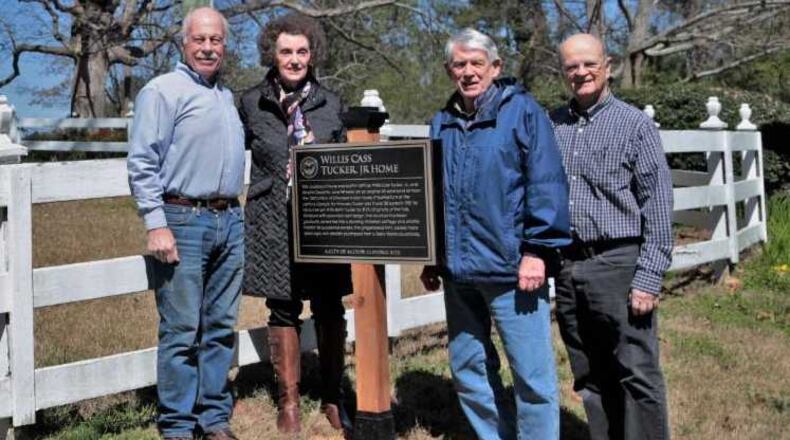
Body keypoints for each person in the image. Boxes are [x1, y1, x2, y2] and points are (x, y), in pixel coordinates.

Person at [420, 28, 571, 439]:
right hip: (458, 272)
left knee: (532, 377)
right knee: (467, 368)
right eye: (460, 64)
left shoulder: (522, 112)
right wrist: (433, 255)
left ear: (495, 67)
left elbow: (546, 182)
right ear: (450, 69)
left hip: (512, 270)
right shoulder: (443, 121)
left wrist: (537, 250)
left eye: (476, 63)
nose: (468, 72)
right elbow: (433, 192)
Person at [127, 7, 244, 440]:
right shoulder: (162, 91)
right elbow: (142, 163)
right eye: (200, 40)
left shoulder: (225, 96)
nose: (208, 47)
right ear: (184, 43)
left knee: (219, 326)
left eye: (216, 40)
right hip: (182, 219)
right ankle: (177, 425)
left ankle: (213, 418)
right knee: (181, 329)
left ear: (224, 46)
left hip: (230, 219)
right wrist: (156, 223)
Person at [550, 33, 673, 440]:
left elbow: (657, 204)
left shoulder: (635, 125)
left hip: (619, 263)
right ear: (563, 71)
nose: (580, 72)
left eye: (589, 63)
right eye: (572, 66)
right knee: (589, 374)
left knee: (636, 372)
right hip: (568, 266)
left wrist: (649, 276)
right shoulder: (554, 125)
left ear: (608, 66)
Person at [238, 13, 352, 435]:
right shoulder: (251, 102)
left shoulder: (332, 103)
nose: (294, 58)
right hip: (272, 221)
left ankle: (333, 396)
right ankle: (287, 402)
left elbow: (349, 160)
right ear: (273, 53)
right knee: (282, 306)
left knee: (328, 305)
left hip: (322, 221)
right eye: (286, 51)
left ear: (313, 54)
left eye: (302, 51)